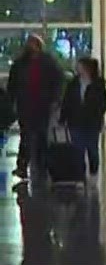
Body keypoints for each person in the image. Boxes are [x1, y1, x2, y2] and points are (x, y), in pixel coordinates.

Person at [9, 35, 64, 177]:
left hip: (42, 104)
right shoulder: (20, 63)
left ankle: (42, 165)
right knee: (26, 136)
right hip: (25, 105)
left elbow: (58, 81)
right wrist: (12, 101)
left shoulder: (48, 62)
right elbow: (12, 84)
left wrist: (55, 99)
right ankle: (22, 166)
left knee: (41, 136)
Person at [58, 56, 106, 180]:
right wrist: (63, 118)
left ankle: (93, 172)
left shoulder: (98, 85)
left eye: (79, 65)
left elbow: (103, 103)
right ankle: (80, 176)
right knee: (77, 150)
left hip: (92, 122)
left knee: (92, 149)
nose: (77, 68)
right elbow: (67, 102)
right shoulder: (73, 84)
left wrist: (97, 114)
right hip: (75, 121)